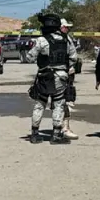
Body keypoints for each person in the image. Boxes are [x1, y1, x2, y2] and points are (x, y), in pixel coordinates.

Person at [26, 12, 78, 144]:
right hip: (61, 77)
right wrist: (64, 68)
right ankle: (56, 135)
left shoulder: (41, 40)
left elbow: (29, 57)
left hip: (44, 76)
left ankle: (34, 134)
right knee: (59, 104)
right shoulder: (67, 39)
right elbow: (74, 58)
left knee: (40, 104)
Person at [59, 19, 81, 139]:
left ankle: (59, 127)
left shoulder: (47, 39)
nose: (67, 29)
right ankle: (64, 128)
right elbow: (73, 57)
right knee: (65, 101)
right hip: (65, 75)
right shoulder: (65, 39)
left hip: (54, 75)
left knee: (58, 102)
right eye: (66, 27)